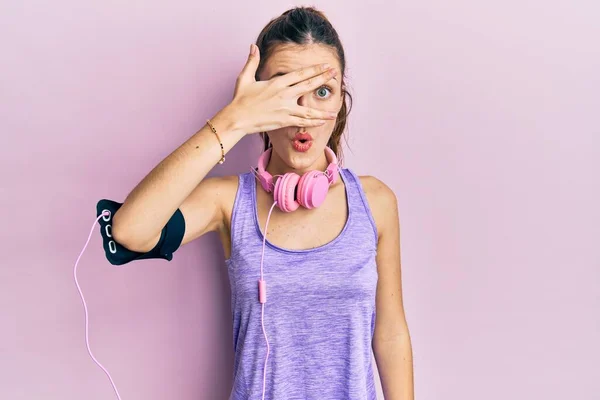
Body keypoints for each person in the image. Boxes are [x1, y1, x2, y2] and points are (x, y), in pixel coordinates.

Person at [103, 6, 414, 400]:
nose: (304, 114)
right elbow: (130, 231)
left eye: (322, 91)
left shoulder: (376, 201)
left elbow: (390, 333)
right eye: (283, 91)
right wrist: (234, 119)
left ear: (340, 103)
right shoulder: (230, 202)